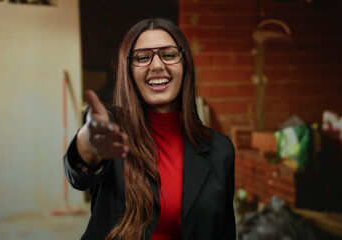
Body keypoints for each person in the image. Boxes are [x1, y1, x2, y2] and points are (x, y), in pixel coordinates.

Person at [64, 18, 236, 240]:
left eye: (169, 54)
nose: (156, 65)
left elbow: (224, 233)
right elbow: (79, 175)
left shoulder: (221, 150)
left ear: (185, 65)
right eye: (142, 58)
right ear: (129, 71)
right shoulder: (110, 126)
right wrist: (87, 142)